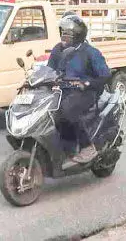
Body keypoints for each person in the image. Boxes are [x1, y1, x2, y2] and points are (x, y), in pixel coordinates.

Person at [47, 14, 111, 164]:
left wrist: (87, 83)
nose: (64, 36)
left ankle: (87, 147)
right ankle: (66, 146)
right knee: (48, 111)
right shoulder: (58, 50)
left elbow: (105, 75)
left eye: (68, 33)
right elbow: (49, 69)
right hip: (64, 90)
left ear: (77, 35)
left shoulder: (90, 53)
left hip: (86, 92)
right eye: (62, 32)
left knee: (68, 110)